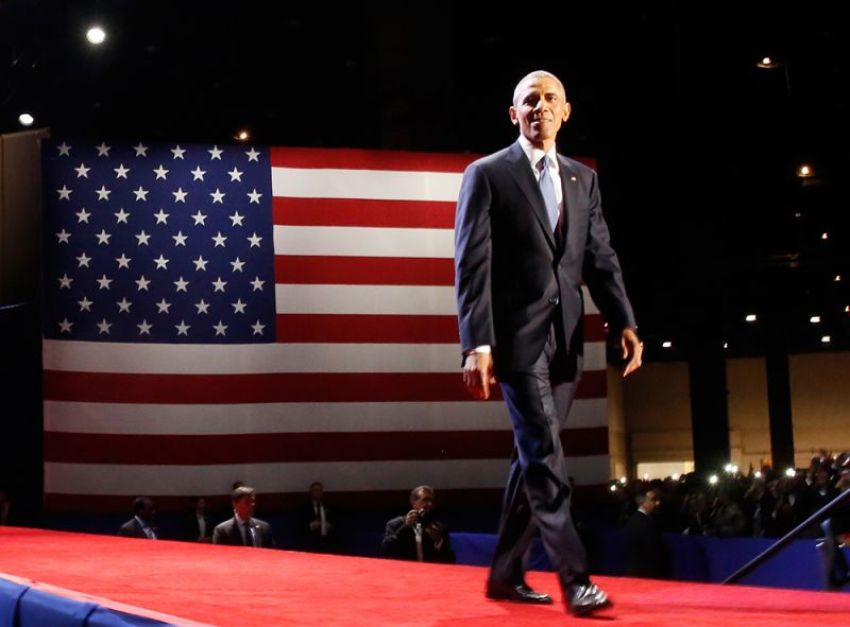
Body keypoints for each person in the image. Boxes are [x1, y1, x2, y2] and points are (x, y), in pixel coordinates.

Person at [454, 69, 642, 616]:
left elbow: (599, 259)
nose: (540, 107)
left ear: (566, 111)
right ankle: (575, 578)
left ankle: (504, 573)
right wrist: (477, 343)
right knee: (545, 453)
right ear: (514, 114)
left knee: (531, 458)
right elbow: (472, 265)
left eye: (550, 99)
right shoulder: (487, 174)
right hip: (515, 342)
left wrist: (624, 320)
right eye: (529, 100)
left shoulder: (584, 179)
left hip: (566, 342)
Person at [382, 486, 456, 563]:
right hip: (405, 571)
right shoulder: (395, 524)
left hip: (430, 572)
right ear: (413, 503)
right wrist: (406, 527)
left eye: (432, 501)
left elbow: (450, 560)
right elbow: (387, 549)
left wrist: (438, 542)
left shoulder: (439, 528)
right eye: (425, 500)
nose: (430, 504)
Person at [624, 489, 670, 578]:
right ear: (642, 502)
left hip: (641, 571)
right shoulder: (641, 522)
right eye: (653, 500)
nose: (657, 503)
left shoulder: (639, 519)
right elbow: (650, 549)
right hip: (644, 573)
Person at [302, 481, 336, 552]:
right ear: (311, 492)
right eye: (316, 490)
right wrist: (311, 525)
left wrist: (330, 525)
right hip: (311, 541)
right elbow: (298, 526)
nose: (318, 492)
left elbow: (336, 521)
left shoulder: (328, 506)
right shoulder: (304, 508)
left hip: (327, 540)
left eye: (320, 490)